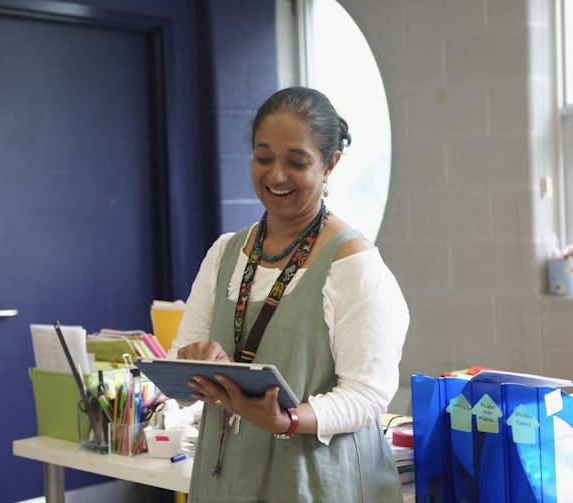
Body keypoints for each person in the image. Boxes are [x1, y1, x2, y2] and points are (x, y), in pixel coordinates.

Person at [168, 86, 409, 502]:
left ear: (330, 164)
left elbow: (367, 395)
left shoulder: (353, 264)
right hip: (225, 479)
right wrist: (194, 364)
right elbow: (177, 368)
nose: (276, 175)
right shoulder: (226, 253)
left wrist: (289, 419)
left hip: (315, 483)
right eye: (263, 158)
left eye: (296, 162)